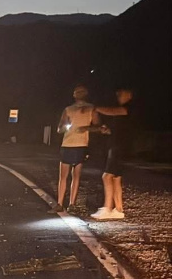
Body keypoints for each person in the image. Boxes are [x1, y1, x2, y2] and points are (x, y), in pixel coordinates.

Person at [52, 84, 97, 212]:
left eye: (81, 91)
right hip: (67, 144)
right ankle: (60, 203)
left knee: (76, 175)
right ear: (74, 95)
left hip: (81, 145)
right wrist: (64, 126)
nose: (79, 93)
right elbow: (59, 128)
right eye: (77, 92)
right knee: (63, 176)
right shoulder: (68, 109)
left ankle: (72, 204)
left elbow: (98, 125)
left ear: (86, 93)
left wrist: (86, 128)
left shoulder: (91, 108)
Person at [91, 89, 134, 220]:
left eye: (121, 94)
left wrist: (96, 108)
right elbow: (118, 129)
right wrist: (106, 130)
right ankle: (119, 210)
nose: (118, 96)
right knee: (116, 178)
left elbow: (112, 111)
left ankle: (107, 208)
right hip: (117, 145)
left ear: (129, 95)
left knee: (106, 176)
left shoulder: (129, 108)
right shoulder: (121, 111)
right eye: (117, 94)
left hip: (119, 147)